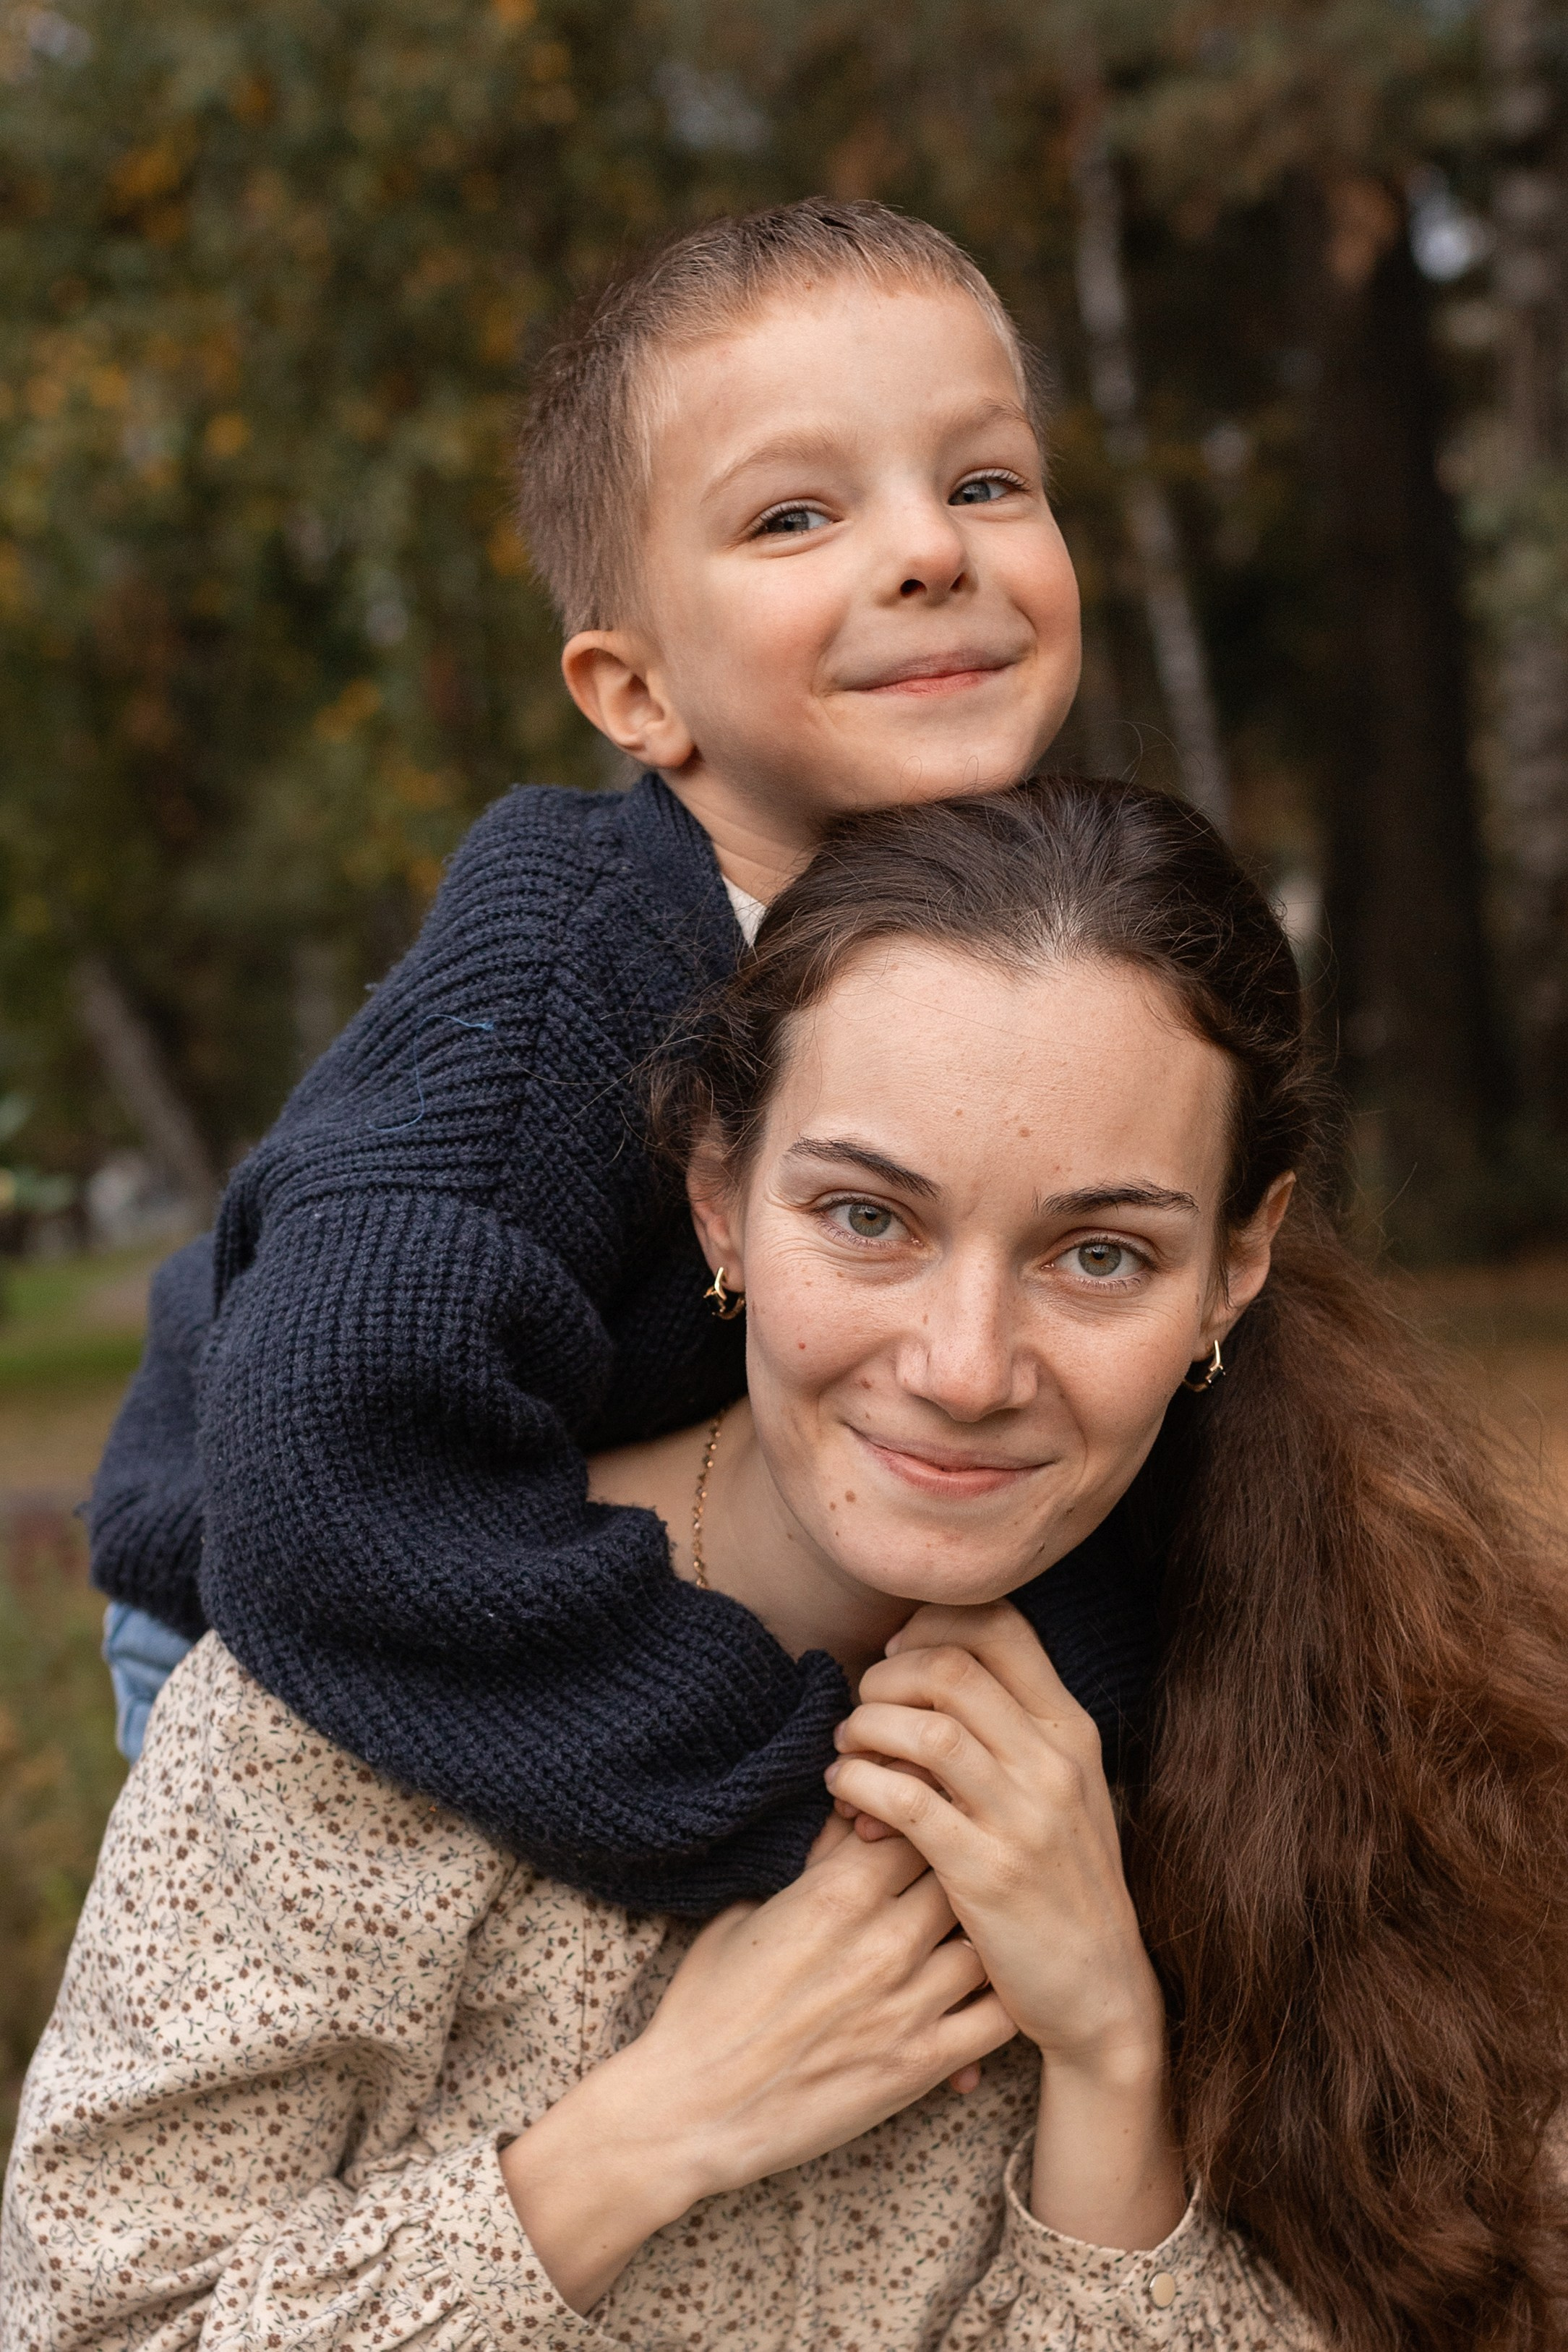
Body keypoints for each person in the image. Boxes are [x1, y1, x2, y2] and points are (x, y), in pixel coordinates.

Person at [10, 777, 1568, 2352]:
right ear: (719, 1199)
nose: (964, 1366)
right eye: (866, 1217)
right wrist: (655, 2131)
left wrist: (1108, 2055)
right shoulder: (376, 1672)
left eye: (1098, 1254)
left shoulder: (1360, 1706)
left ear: (1232, 1268)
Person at [89, 197, 1168, 1910]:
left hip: (611, 1550)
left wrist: (1092, 1756)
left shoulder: (1044, 946)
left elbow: (1130, 1470)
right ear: (634, 694)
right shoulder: (565, 965)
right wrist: (792, 1803)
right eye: (796, 513)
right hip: (286, 1585)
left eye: (981, 483)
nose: (927, 551)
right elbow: (332, 1488)